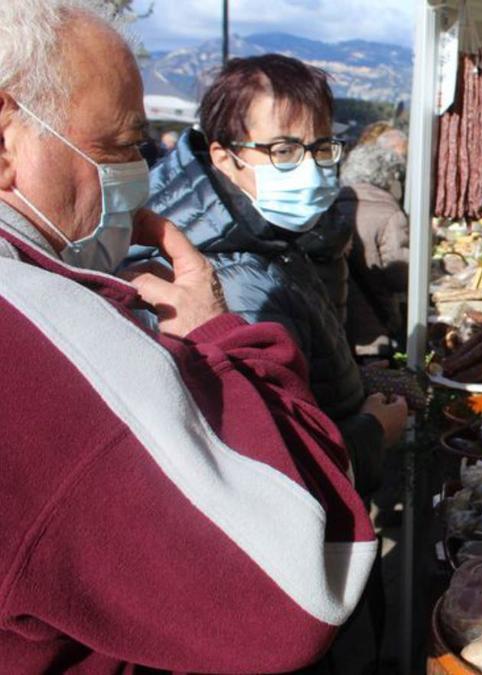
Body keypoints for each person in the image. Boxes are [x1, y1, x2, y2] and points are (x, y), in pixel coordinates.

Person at [0, 1, 375, 670]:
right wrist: (222, 339)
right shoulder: (40, 327)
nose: (135, 177)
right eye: (118, 146)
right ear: (5, 139)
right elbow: (293, 593)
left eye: (321, 147)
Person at [124, 53, 403, 671]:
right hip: (295, 574)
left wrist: (356, 383)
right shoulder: (225, 275)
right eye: (282, 151)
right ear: (224, 155)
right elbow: (268, 469)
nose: (307, 168)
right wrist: (373, 433)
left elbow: (300, 377)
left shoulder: (269, 237)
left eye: (321, 147)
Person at [305, 140, 410, 357]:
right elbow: (400, 278)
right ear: (389, 177)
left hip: (331, 326)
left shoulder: (327, 209)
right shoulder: (391, 214)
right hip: (374, 330)